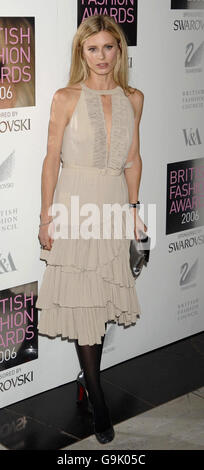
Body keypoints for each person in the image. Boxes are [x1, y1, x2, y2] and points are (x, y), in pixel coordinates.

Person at [35, 14, 147, 444]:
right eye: (92, 48)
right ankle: (98, 396)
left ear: (119, 50)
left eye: (109, 47)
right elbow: (50, 160)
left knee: (101, 299)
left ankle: (88, 380)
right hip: (75, 203)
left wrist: (135, 210)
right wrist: (46, 216)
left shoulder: (133, 97)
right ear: (81, 53)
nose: (102, 56)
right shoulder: (65, 97)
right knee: (84, 303)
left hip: (114, 203)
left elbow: (134, 158)